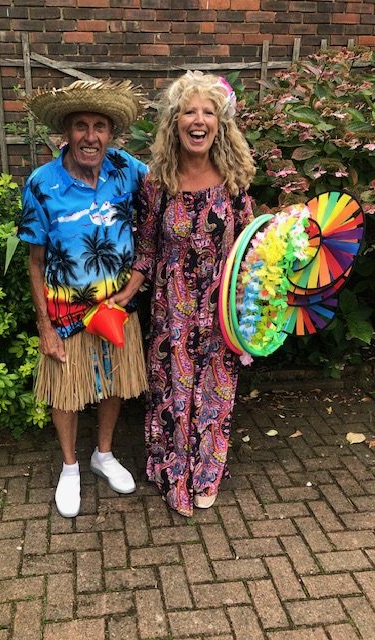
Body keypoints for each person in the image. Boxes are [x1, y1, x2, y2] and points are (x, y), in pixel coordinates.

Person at [110, 71, 256, 517]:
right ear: (174, 122)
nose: (198, 120)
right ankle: (173, 472)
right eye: (189, 111)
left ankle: (207, 474)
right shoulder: (158, 182)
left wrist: (260, 294)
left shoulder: (234, 180)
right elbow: (147, 249)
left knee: (214, 392)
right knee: (171, 391)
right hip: (171, 309)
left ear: (220, 123)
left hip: (220, 308)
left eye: (208, 112)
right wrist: (126, 293)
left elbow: (250, 248)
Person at [18, 79, 149, 518]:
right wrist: (44, 327)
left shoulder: (127, 170)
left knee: (115, 383)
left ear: (111, 133)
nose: (90, 137)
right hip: (66, 313)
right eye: (81, 126)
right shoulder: (42, 184)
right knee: (66, 393)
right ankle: (70, 466)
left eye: (100, 126)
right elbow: (35, 261)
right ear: (65, 132)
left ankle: (103, 455)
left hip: (117, 308)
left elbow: (172, 192)